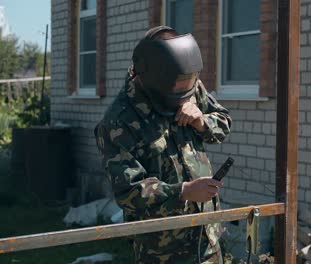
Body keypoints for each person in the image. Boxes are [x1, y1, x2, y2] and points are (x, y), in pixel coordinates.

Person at [94, 26, 232, 263]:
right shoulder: (119, 121)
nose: (185, 91)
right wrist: (184, 192)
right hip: (162, 250)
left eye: (190, 83)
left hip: (207, 238)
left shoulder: (186, 83)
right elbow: (129, 192)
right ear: (152, 76)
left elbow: (223, 123)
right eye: (178, 85)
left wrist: (202, 121)